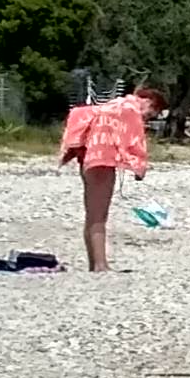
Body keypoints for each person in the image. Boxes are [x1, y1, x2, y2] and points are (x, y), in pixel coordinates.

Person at [58, 86, 152, 271]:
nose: (147, 118)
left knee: (92, 214)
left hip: (88, 158)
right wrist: (138, 167)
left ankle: (94, 263)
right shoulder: (128, 109)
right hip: (102, 160)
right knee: (99, 216)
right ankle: (101, 265)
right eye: (151, 113)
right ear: (149, 101)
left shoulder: (109, 106)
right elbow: (134, 141)